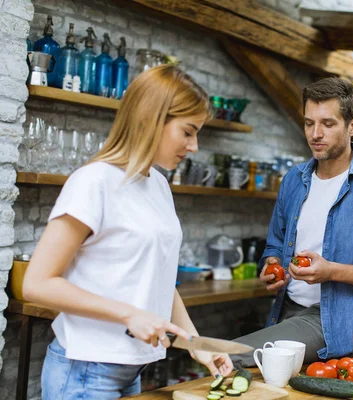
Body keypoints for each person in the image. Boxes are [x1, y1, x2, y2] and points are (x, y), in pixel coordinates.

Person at [23, 65, 233, 399]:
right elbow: (36, 284)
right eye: (188, 132)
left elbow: (159, 279)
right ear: (153, 120)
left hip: (131, 371)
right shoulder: (94, 182)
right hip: (84, 372)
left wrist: (196, 344)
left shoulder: (159, 185)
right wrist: (128, 314)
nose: (194, 146)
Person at [232, 77, 353, 366]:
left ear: (352, 126)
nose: (315, 134)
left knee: (229, 354)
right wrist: (272, 266)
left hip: (337, 321)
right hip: (286, 309)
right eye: (309, 123)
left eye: (328, 124)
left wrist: (331, 271)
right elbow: (276, 244)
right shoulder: (294, 180)